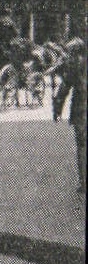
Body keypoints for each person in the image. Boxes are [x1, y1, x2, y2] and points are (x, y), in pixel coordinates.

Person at [53, 38, 86, 193]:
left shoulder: (74, 66)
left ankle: (84, 182)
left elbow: (64, 87)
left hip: (80, 110)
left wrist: (57, 109)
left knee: (81, 146)